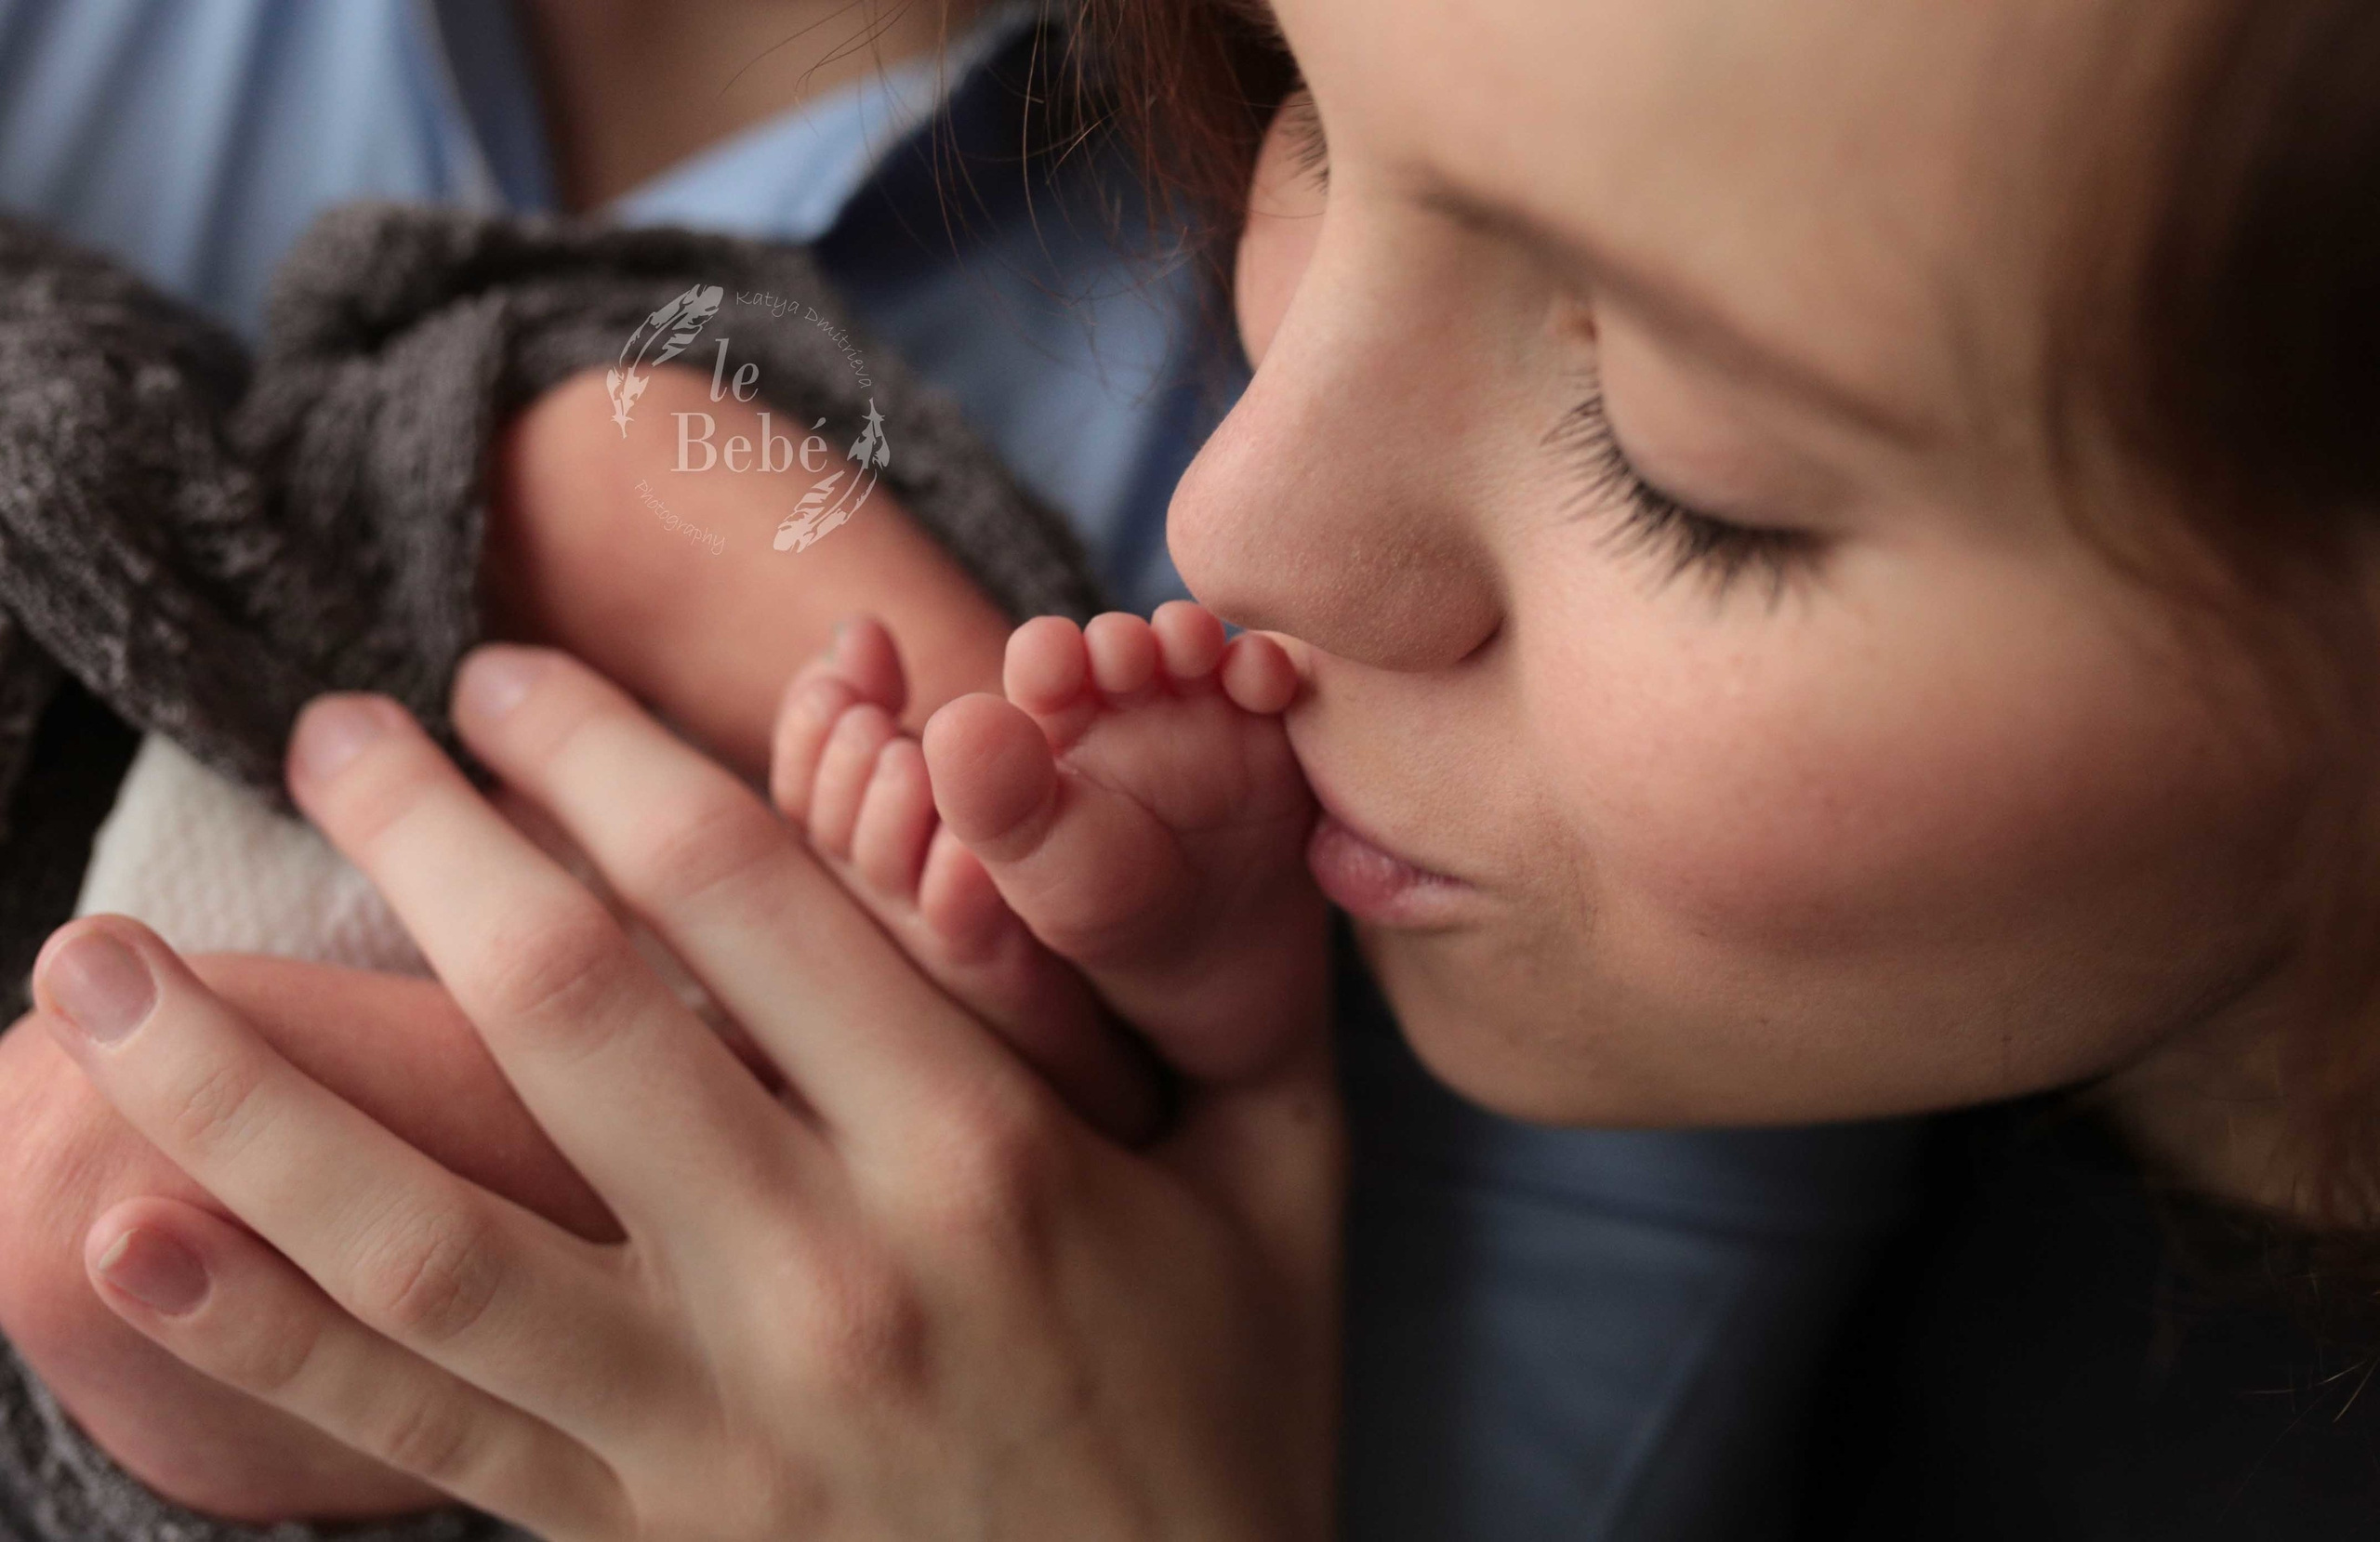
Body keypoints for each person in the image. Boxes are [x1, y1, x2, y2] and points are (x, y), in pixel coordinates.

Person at [0, 1, 1911, 1538]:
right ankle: (923, 1070)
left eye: (1686, 459)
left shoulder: (1659, 918)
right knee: (105, 1189)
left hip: (295, 562)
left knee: (622, 462)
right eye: (1313, 134)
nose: (1246, 523)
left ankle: (977, 986)